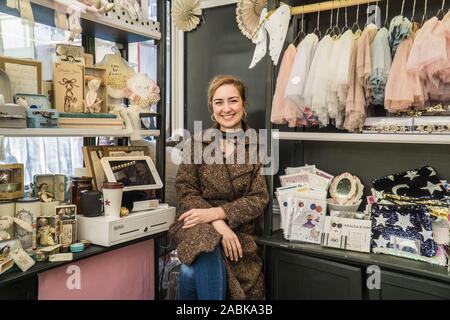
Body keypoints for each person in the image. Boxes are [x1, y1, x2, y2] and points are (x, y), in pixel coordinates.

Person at [168, 75, 269, 300]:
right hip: (196, 222)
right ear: (212, 107)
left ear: (243, 104)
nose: (226, 109)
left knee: (190, 270)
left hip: (241, 232)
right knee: (205, 240)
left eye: (233, 100)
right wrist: (217, 222)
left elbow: (259, 197)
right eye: (219, 102)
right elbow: (185, 189)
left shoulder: (258, 145)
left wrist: (221, 214)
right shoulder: (196, 142)